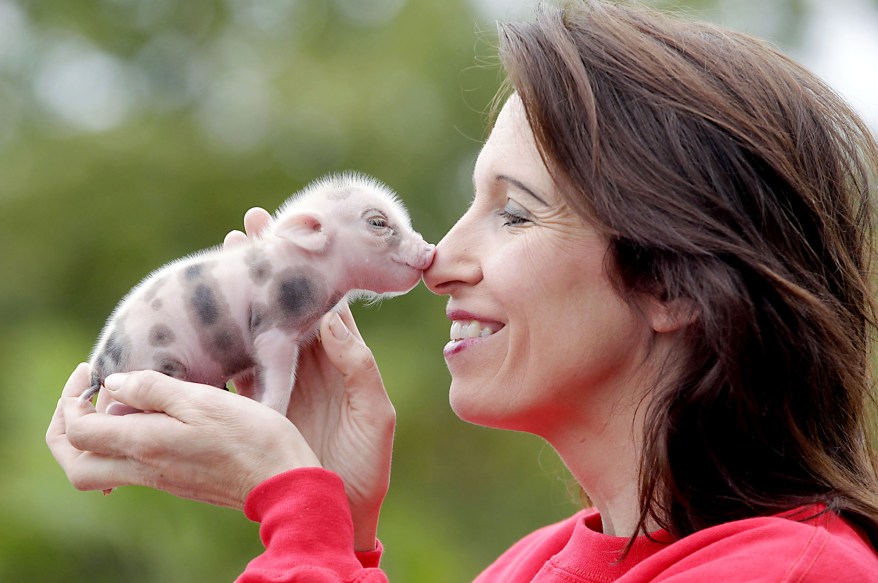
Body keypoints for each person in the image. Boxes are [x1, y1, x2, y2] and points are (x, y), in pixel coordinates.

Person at [46, 0, 878, 580]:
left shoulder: (796, 571)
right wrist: (340, 524)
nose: (439, 256)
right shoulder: (526, 566)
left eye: (514, 213)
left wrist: (296, 511)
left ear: (669, 280)